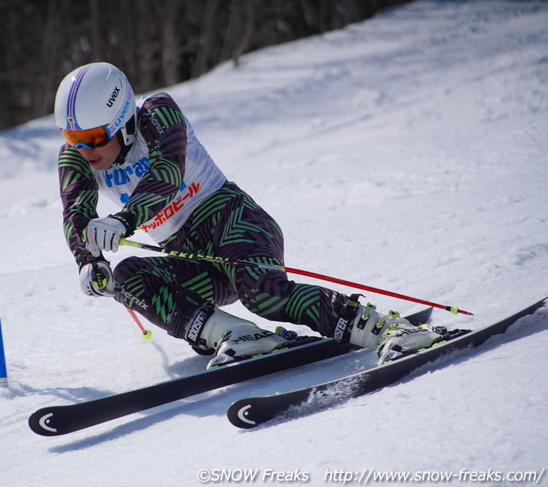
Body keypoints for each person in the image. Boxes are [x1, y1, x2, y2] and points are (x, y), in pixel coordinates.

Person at [54, 62, 446, 368]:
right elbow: (77, 212)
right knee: (129, 279)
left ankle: (388, 330)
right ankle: (238, 334)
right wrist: (89, 262)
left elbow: (168, 173)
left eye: (93, 137)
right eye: (73, 138)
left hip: (234, 223)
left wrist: (124, 219)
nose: (85, 149)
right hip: (192, 259)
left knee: (264, 295)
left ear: (122, 121)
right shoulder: (77, 159)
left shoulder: (158, 114)